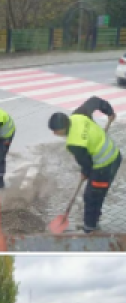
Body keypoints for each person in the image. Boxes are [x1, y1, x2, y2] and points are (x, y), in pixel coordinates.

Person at [48, 97, 122, 233]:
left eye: (56, 131)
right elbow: (95, 101)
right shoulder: (79, 114)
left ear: (62, 128)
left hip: (104, 167)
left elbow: (88, 164)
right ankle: (94, 220)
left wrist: (85, 172)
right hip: (115, 155)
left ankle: (90, 228)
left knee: (91, 196)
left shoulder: (74, 144)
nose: (54, 134)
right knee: (96, 193)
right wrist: (109, 112)